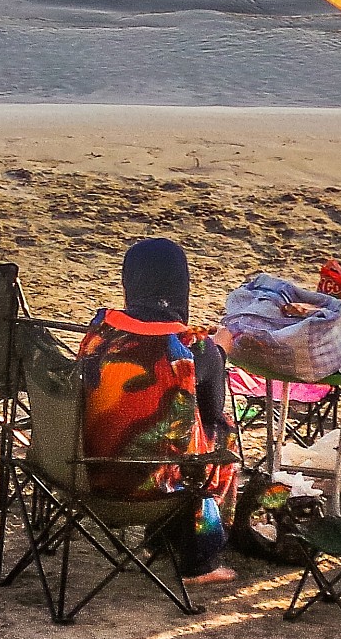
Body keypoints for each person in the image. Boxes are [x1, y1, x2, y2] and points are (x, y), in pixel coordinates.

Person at [79, 238, 239, 585]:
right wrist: (219, 353)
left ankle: (163, 538)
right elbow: (212, 411)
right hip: (159, 489)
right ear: (182, 287)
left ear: (129, 284)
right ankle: (200, 560)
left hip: (85, 475)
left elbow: (148, 337)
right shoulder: (197, 348)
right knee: (219, 434)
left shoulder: (100, 332)